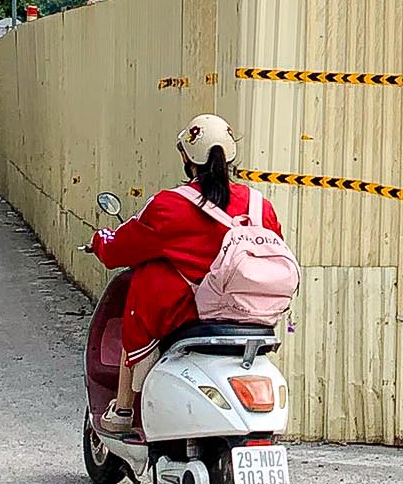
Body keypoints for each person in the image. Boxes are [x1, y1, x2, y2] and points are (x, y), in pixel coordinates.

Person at [88, 114, 283, 437]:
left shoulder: (170, 206)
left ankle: (123, 409)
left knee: (144, 284)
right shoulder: (261, 206)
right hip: (255, 316)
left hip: (188, 314)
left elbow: (120, 250)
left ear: (186, 157)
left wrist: (100, 240)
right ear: (232, 155)